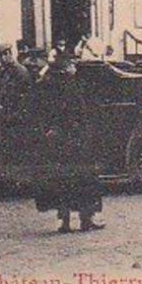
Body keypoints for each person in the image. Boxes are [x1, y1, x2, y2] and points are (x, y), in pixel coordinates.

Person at [33, 55, 105, 232]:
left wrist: (50, 129)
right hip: (75, 141)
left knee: (61, 180)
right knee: (83, 179)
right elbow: (79, 114)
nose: (75, 67)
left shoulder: (47, 85)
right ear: (66, 69)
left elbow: (42, 113)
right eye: (72, 64)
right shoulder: (73, 86)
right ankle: (85, 219)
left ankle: (64, 221)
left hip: (57, 141)